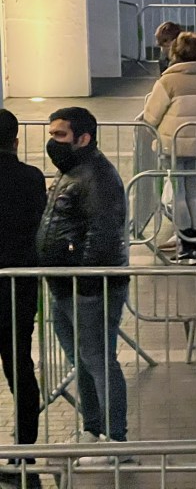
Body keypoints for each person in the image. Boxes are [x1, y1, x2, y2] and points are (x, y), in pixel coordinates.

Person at [36, 107, 129, 462]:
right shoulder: (72, 171)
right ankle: (93, 429)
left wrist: (84, 280)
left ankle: (116, 440)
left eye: (60, 135)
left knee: (99, 360)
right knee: (82, 360)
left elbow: (103, 234)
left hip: (88, 287)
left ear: (83, 138)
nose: (52, 141)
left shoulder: (98, 177)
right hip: (66, 286)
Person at [143, 32, 196, 265]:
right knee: (195, 193)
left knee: (179, 195)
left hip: (172, 145)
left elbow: (150, 116)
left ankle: (185, 245)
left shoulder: (167, 81)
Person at [0, 110, 45, 472]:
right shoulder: (31, 178)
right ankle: (25, 447)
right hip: (18, 284)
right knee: (19, 365)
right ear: (15, 141)